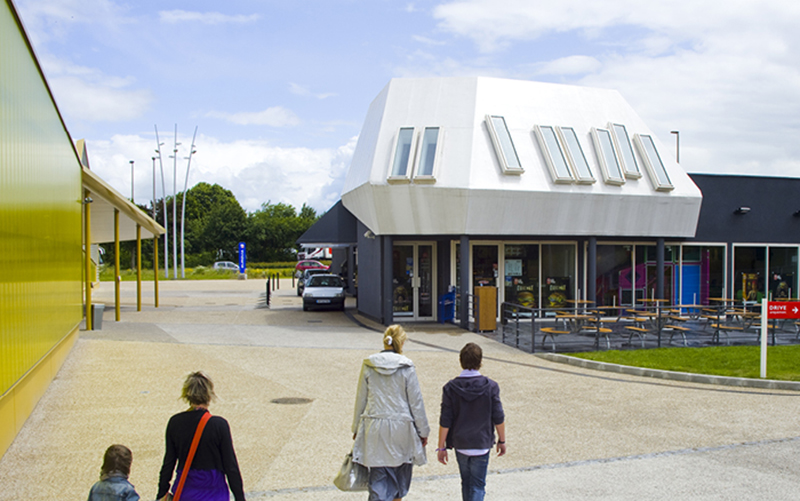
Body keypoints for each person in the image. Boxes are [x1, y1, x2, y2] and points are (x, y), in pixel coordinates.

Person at [352, 325, 430, 501]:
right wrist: (423, 431)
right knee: (400, 479)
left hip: (375, 426)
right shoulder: (406, 366)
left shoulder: (369, 365)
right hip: (401, 428)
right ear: (401, 342)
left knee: (378, 476)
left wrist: (356, 427)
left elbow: (361, 398)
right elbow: (416, 402)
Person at [157, 372, 245, 501]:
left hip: (186, 492)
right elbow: (231, 466)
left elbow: (168, 463)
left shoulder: (175, 423)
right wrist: (240, 497)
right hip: (214, 493)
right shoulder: (219, 425)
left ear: (187, 395)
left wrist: (161, 494)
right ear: (209, 395)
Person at [436, 343, 506, 501]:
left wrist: (441, 446)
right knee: (478, 486)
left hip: (461, 443)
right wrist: (502, 440)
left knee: (466, 483)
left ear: (460, 361)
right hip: (481, 442)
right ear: (480, 361)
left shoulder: (450, 388)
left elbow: (445, 419)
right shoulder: (491, 387)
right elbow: (498, 416)